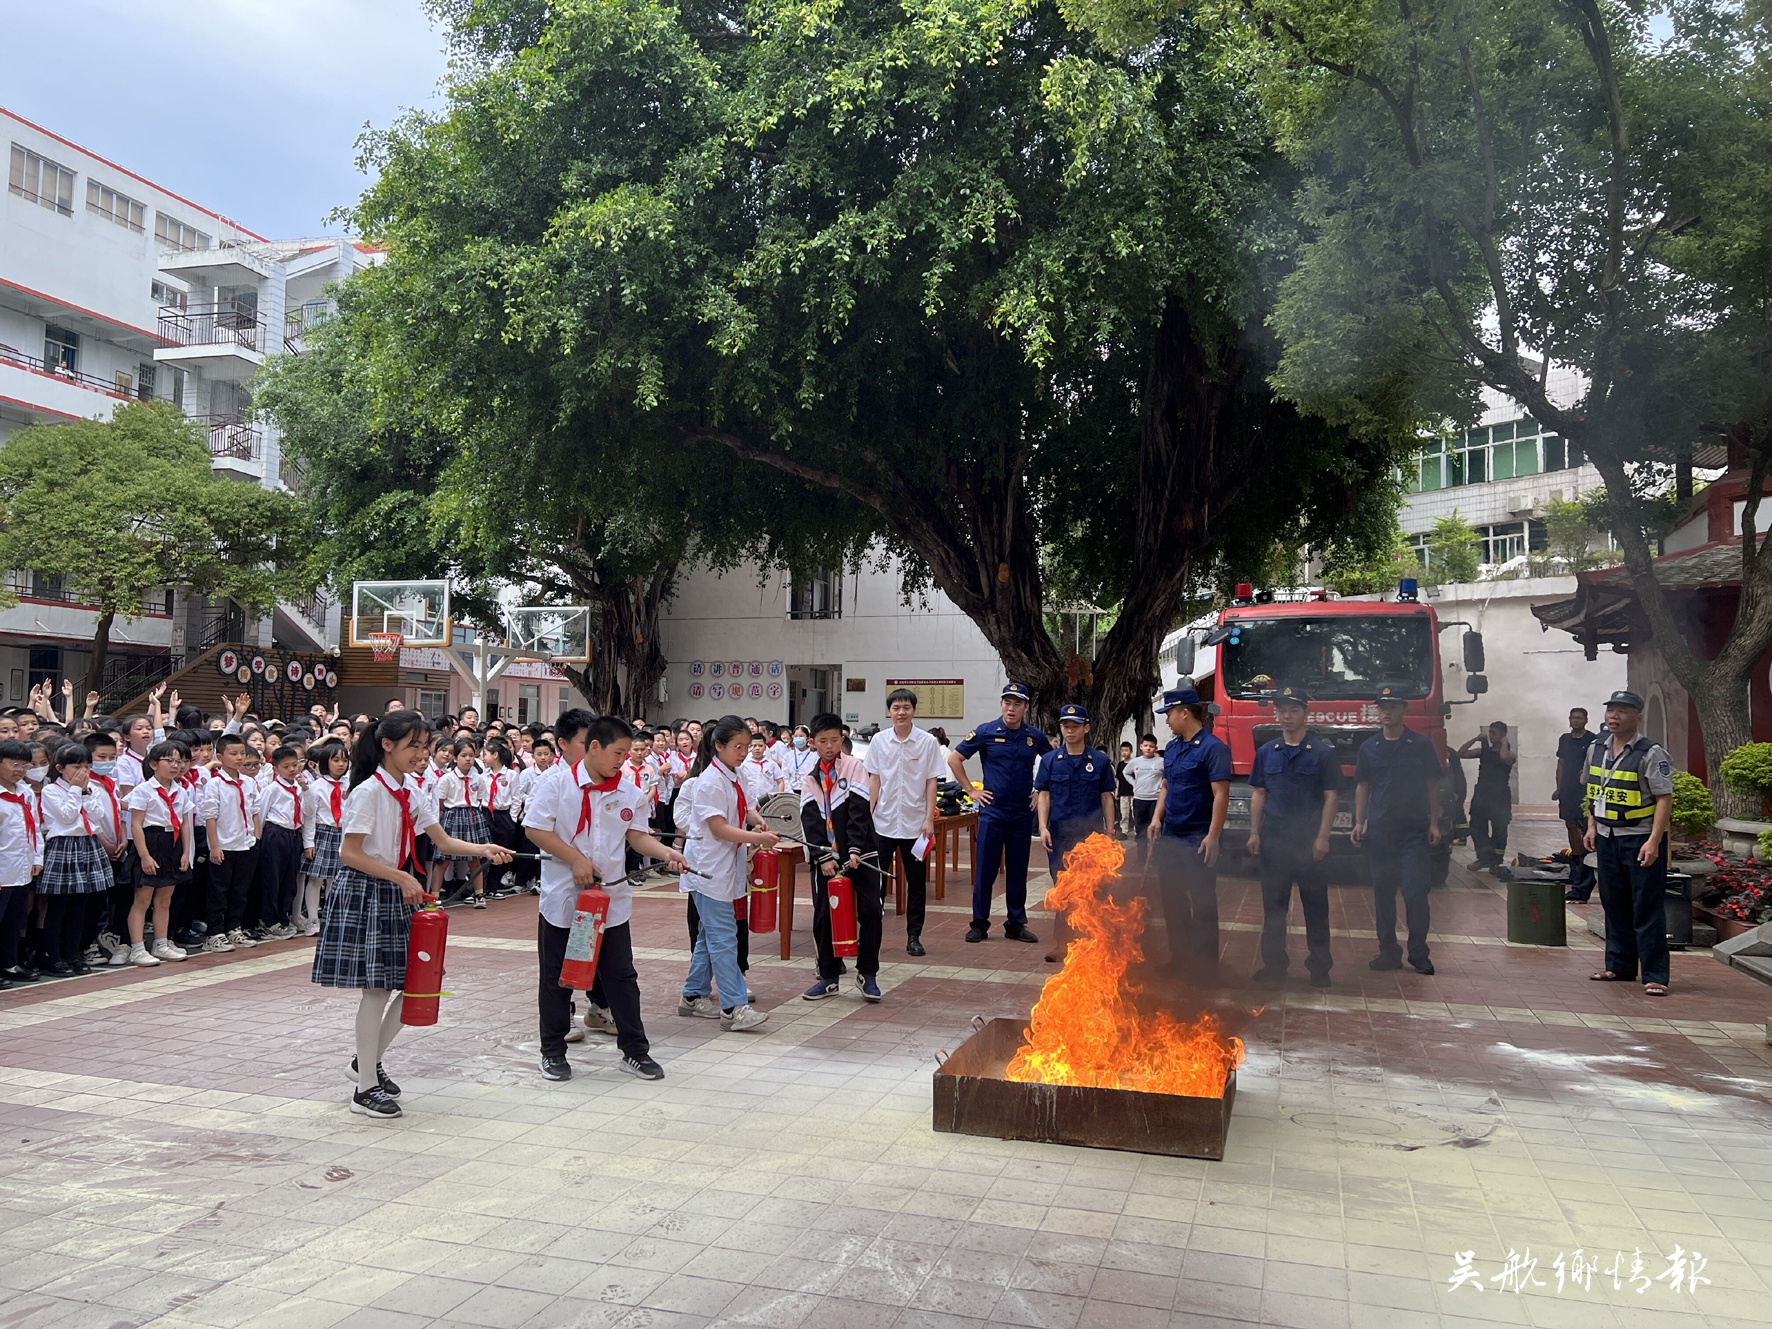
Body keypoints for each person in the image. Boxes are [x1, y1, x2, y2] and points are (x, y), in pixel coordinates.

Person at [311, 710, 511, 1120]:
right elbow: (349, 854)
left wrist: (483, 850)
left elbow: (440, 839)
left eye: (425, 746)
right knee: (376, 990)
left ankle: (364, 1063)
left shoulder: (412, 791)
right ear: (387, 745)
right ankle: (365, 1086)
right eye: (413, 747)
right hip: (369, 890)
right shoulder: (368, 792)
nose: (421, 754)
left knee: (414, 985)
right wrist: (400, 875)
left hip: (399, 891)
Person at [523, 712, 684, 1081]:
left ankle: (635, 1050)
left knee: (621, 976)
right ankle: (552, 1051)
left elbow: (637, 835)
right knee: (558, 977)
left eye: (627, 754)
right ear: (594, 748)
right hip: (565, 899)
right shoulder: (557, 784)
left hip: (609, 901)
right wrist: (576, 859)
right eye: (618, 752)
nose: (623, 760)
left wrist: (666, 853)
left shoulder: (627, 790)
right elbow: (535, 829)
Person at [680, 715, 778, 1031]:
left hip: (725, 868)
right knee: (723, 938)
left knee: (711, 937)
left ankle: (693, 995)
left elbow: (746, 808)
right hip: (708, 870)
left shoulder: (737, 775)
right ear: (718, 746)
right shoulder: (708, 781)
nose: (743, 753)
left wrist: (758, 821)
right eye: (737, 747)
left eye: (746, 747)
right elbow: (719, 828)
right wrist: (758, 838)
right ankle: (733, 1007)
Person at [1245, 686, 1340, 988]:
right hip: (1274, 841)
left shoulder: (1323, 753)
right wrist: (1254, 832)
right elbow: (1259, 793)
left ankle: (1319, 968)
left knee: (1316, 907)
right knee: (1274, 908)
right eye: (1281, 710)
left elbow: (1331, 797)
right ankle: (1274, 967)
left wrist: (1323, 836)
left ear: (1305, 713)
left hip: (1308, 842)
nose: (1287, 716)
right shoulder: (1266, 752)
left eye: (1293, 710)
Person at [1585, 691, 1676, 996]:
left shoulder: (1651, 752)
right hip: (1608, 837)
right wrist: (1591, 826)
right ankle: (1619, 965)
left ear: (1638, 717)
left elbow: (1664, 798)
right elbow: (1594, 790)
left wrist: (1654, 841)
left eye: (1622, 711)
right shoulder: (1596, 748)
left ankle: (1655, 975)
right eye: (1611, 710)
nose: (1614, 716)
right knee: (1614, 904)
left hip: (1640, 840)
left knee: (1646, 907)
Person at [950, 682, 1052, 944]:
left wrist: (1038, 791)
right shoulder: (986, 731)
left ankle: (1016, 924)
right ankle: (979, 924)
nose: (1011, 708)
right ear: (1001, 705)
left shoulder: (1034, 736)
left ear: (1026, 707)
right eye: (1007, 702)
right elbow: (955, 759)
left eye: (1017, 703)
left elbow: (1051, 763)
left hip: (1020, 813)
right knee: (986, 870)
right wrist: (971, 791)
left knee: (1018, 871)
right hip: (992, 813)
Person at [1352, 684, 1444, 975]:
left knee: (1416, 892)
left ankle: (1418, 953)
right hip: (1381, 832)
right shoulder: (1369, 748)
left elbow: (1432, 783)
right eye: (1382, 707)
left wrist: (1433, 822)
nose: (1387, 712)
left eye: (1392, 706)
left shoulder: (1420, 745)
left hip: (1414, 832)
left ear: (1404, 709)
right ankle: (1388, 952)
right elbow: (1363, 786)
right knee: (1383, 894)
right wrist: (1358, 821)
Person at [1146, 688, 1230, 980]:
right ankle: (1180, 959)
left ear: (1185, 712)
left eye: (1169, 713)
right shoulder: (1172, 748)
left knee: (1203, 902)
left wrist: (1213, 836)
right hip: (1171, 835)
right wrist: (1157, 818)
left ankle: (1206, 967)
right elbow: (1166, 786)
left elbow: (1220, 794)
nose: (1167, 720)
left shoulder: (1213, 748)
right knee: (1173, 901)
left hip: (1198, 838)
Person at [801, 711, 885, 1001]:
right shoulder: (809, 778)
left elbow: (859, 813)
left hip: (862, 854)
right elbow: (810, 821)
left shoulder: (854, 768)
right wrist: (823, 857)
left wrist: (854, 851)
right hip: (827, 859)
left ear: (842, 739)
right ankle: (828, 976)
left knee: (871, 911)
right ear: (812, 742)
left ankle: (868, 974)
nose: (829, 746)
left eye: (834, 740)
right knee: (824, 915)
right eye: (822, 741)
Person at [865, 687, 944, 956]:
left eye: (906, 707)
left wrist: (928, 819)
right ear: (889, 712)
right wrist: (869, 814)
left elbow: (931, 781)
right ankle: (869, 935)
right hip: (883, 823)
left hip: (915, 825)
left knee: (917, 883)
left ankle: (914, 936)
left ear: (914, 710)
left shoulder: (927, 742)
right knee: (874, 881)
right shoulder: (878, 741)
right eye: (896, 708)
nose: (901, 712)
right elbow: (874, 778)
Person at [37, 743, 116, 976]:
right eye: (76, 767)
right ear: (60, 768)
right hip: (63, 846)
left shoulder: (89, 787)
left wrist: (84, 792)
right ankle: (52, 956)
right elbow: (66, 815)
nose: (83, 772)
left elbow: (98, 816)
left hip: (87, 843)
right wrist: (74, 790)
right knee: (58, 906)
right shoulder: (52, 790)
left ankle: (73, 953)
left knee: (80, 906)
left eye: (87, 767)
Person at [122, 740, 193, 966]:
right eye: (169, 760)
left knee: (165, 899)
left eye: (180, 761)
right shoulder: (143, 790)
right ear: (153, 764)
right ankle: (137, 947)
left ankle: (161, 943)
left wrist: (185, 853)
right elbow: (135, 825)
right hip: (150, 842)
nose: (175, 766)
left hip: (172, 844)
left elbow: (185, 823)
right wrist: (144, 855)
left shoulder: (180, 790)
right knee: (142, 899)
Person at [1035, 703, 1117, 872]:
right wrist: (1043, 828)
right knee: (1061, 884)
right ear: (1061, 728)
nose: (1070, 731)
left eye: (1075, 726)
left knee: (1092, 885)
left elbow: (1106, 797)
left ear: (1086, 728)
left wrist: (1110, 831)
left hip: (1091, 836)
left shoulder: (1099, 761)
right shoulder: (1049, 760)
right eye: (1066, 726)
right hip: (1059, 835)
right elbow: (1044, 796)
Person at [200, 734, 262, 953]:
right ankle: (214, 932)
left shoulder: (249, 782)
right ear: (220, 756)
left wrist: (256, 838)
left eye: (242, 753)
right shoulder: (214, 784)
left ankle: (234, 927)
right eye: (233, 754)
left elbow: (255, 810)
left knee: (240, 890)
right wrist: (214, 846)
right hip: (224, 845)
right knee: (219, 891)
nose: (239, 758)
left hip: (246, 844)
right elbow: (210, 816)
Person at [0, 738, 44, 987]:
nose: (20, 771)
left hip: (21, 868)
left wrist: (37, 857)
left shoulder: (25, 792)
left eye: (24, 766)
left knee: (15, 921)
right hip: (2, 869)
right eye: (14, 764)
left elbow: (34, 827)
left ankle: (8, 962)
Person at [301, 738, 350, 937]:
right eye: (335, 760)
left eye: (344, 760)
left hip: (342, 834)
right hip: (323, 833)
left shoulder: (350, 784)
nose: (340, 764)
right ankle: (313, 917)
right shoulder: (317, 786)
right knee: (316, 878)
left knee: (336, 879)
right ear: (324, 763)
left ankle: (331, 915)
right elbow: (310, 815)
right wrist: (309, 842)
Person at [257, 745, 308, 938]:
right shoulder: (272, 789)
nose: (293, 770)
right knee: (273, 878)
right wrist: (259, 839)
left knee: (289, 878)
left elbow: (307, 811)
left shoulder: (299, 787)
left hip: (293, 833)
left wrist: (305, 789)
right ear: (276, 769)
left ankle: (283, 915)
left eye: (295, 765)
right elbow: (262, 814)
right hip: (275, 833)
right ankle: (270, 920)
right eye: (287, 767)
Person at [436, 738, 492, 908]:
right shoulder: (447, 779)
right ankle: (434, 897)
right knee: (444, 859)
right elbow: (441, 801)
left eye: (471, 756)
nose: (468, 759)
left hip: (473, 815)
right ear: (455, 758)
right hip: (453, 815)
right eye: (463, 755)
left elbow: (481, 798)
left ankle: (479, 895)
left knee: (475, 859)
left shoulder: (479, 778)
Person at [1458, 722, 1516, 869]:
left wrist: (1504, 742)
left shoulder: (1510, 755)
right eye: (1490, 732)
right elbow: (1461, 753)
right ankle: (1483, 859)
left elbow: (1504, 756)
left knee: (1499, 830)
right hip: (1482, 794)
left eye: (1494, 733)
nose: (1491, 736)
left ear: (1503, 734)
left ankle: (1496, 862)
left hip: (1500, 796)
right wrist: (1475, 739)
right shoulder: (1484, 751)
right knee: (1477, 827)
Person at [1557, 708, 1599, 901]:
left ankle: (1585, 863)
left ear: (1586, 720)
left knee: (1585, 826)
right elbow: (1561, 764)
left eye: (1579, 718)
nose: (1575, 720)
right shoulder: (1564, 739)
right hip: (1567, 789)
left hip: (1584, 789)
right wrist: (1558, 787)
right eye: (1572, 717)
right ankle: (1575, 860)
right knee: (1570, 823)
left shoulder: (1593, 740)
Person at [1125, 735, 1165, 866]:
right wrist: (1134, 784)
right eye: (1146, 746)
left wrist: (1163, 784)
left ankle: (1156, 858)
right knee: (1140, 830)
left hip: (1155, 801)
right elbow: (1126, 773)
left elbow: (1169, 774)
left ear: (1156, 748)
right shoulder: (1135, 762)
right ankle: (1142, 858)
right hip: (1139, 801)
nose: (1148, 748)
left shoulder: (1161, 762)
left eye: (1151, 746)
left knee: (1155, 831)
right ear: (1141, 747)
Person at [1114, 741, 1135, 835]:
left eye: (1126, 750)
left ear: (1131, 751)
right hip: (1123, 792)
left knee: (1135, 813)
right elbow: (1118, 779)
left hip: (1134, 792)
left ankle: (1137, 831)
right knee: (1124, 813)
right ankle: (1124, 831)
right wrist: (1116, 791)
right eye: (1122, 750)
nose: (1124, 753)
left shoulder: (1135, 763)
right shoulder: (1120, 764)